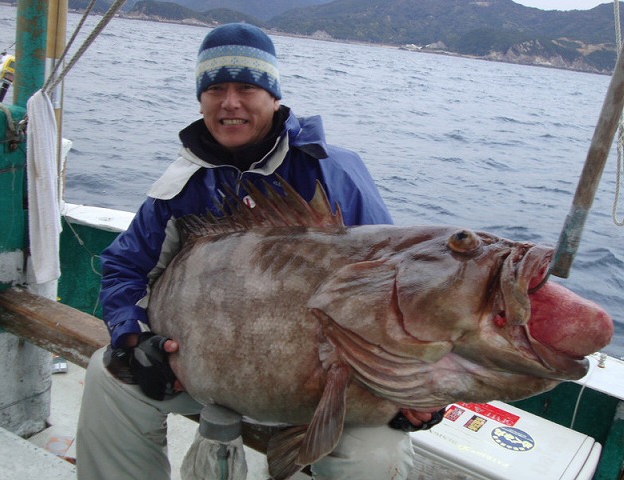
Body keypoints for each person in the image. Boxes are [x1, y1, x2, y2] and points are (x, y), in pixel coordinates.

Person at [76, 23, 441, 480]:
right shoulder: (180, 186)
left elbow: (394, 286)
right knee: (108, 378)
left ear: (273, 96)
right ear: (200, 100)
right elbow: (125, 266)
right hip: (205, 370)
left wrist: (420, 386)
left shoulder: (334, 172)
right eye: (215, 89)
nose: (230, 102)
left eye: (247, 87)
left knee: (374, 457)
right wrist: (136, 338)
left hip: (323, 383)